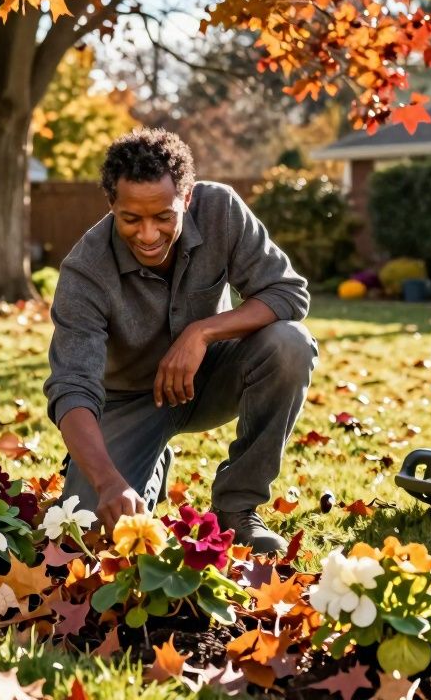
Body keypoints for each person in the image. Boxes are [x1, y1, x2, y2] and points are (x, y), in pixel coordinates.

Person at [43, 128, 318, 553]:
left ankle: (237, 508)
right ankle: (148, 463)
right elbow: (72, 387)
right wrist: (108, 481)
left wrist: (201, 332)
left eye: (163, 217)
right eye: (131, 219)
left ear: (187, 199)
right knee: (91, 532)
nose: (148, 234)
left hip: (210, 378)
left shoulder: (220, 209)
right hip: (129, 402)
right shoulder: (85, 272)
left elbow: (287, 293)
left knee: (289, 344)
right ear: (111, 204)